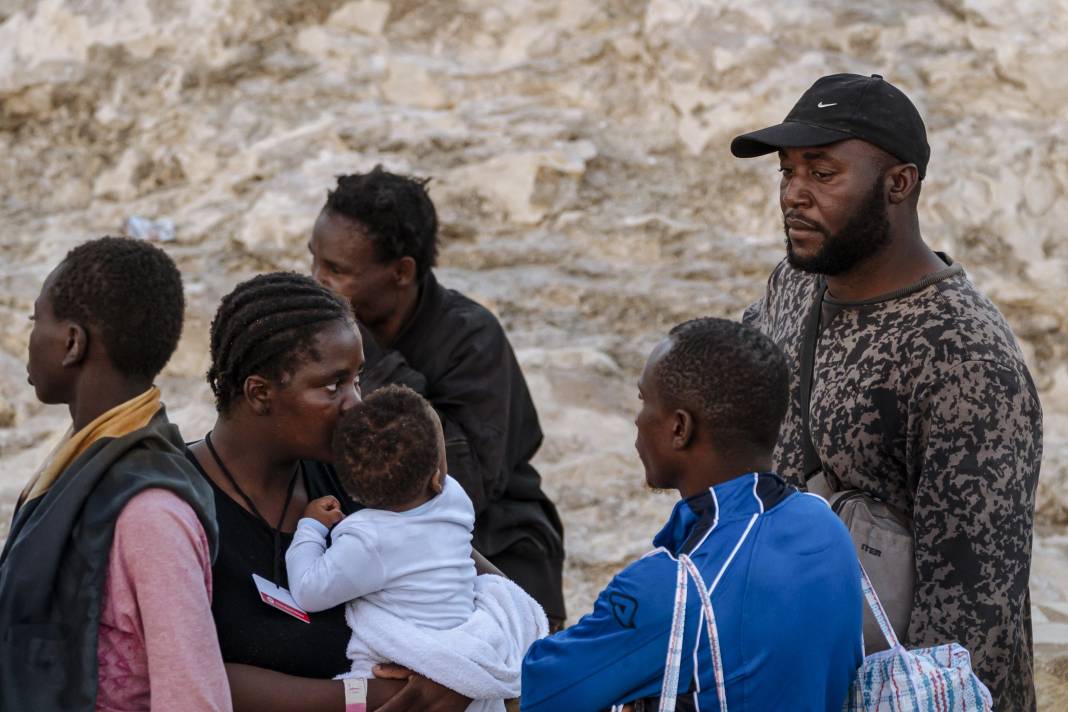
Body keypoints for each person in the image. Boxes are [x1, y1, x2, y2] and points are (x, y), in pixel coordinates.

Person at [732, 73, 1043, 710]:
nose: (794, 195)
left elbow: (972, 612)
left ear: (899, 184)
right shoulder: (794, 287)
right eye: (787, 173)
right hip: (799, 673)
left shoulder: (964, 357)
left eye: (823, 174)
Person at [520, 318, 862, 711]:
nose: (637, 419)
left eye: (643, 400)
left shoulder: (673, 590)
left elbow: (538, 688)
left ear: (679, 428)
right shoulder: (825, 525)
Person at [184, 272, 478, 712]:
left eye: (357, 379)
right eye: (332, 385)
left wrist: (462, 673)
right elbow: (187, 667)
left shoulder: (360, 477)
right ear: (259, 392)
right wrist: (363, 699)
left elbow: (475, 579)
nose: (356, 404)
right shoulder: (178, 503)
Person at [308, 167, 567, 626]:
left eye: (337, 271)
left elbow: (460, 482)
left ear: (401, 271)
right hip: (365, 536)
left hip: (492, 542)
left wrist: (368, 355)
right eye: (314, 261)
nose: (316, 279)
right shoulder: (321, 334)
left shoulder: (471, 339)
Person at [0, 236, 230, 711]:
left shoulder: (150, 513)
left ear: (71, 343)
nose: (30, 337)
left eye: (34, 320)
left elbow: (194, 698)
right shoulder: (75, 465)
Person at [287, 385, 478, 674]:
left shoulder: (368, 540)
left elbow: (307, 591)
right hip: (458, 648)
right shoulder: (455, 499)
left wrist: (311, 526)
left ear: (355, 493)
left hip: (407, 663)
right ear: (437, 478)